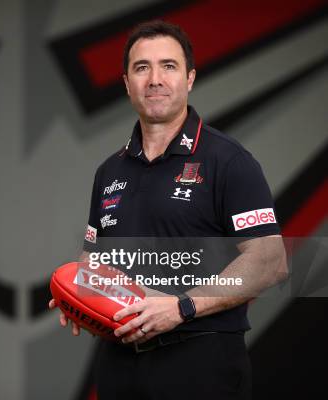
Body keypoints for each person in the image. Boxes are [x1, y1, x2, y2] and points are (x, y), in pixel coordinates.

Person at [48, 20, 288, 400]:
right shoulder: (110, 171)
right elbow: (93, 259)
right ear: (126, 83)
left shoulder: (228, 161)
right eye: (141, 68)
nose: (154, 79)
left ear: (190, 78)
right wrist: (79, 295)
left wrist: (182, 308)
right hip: (120, 364)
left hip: (200, 363)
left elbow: (270, 260)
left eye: (168, 66)